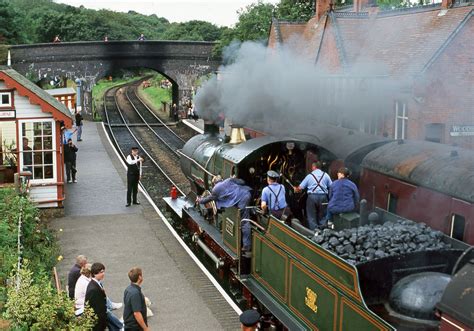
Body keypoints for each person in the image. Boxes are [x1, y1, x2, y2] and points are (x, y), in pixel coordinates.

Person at [197, 176, 252, 252]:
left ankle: (247, 246)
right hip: (246, 193)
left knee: (245, 222)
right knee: (243, 217)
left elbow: (208, 199)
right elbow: (242, 182)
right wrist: (234, 178)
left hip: (242, 199)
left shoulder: (215, 189)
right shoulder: (229, 180)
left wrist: (200, 200)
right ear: (221, 180)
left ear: (214, 183)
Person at [294, 161, 332, 230]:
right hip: (323, 197)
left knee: (311, 217)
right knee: (323, 216)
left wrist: (295, 189)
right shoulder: (326, 175)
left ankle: (314, 233)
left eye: (312, 167)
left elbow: (299, 189)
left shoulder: (309, 176)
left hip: (312, 198)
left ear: (314, 167)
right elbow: (331, 186)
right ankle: (322, 232)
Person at [85, 263, 107, 331]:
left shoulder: (97, 283)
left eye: (103, 271)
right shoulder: (93, 289)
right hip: (97, 323)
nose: (103, 274)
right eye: (101, 272)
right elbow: (94, 308)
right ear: (94, 274)